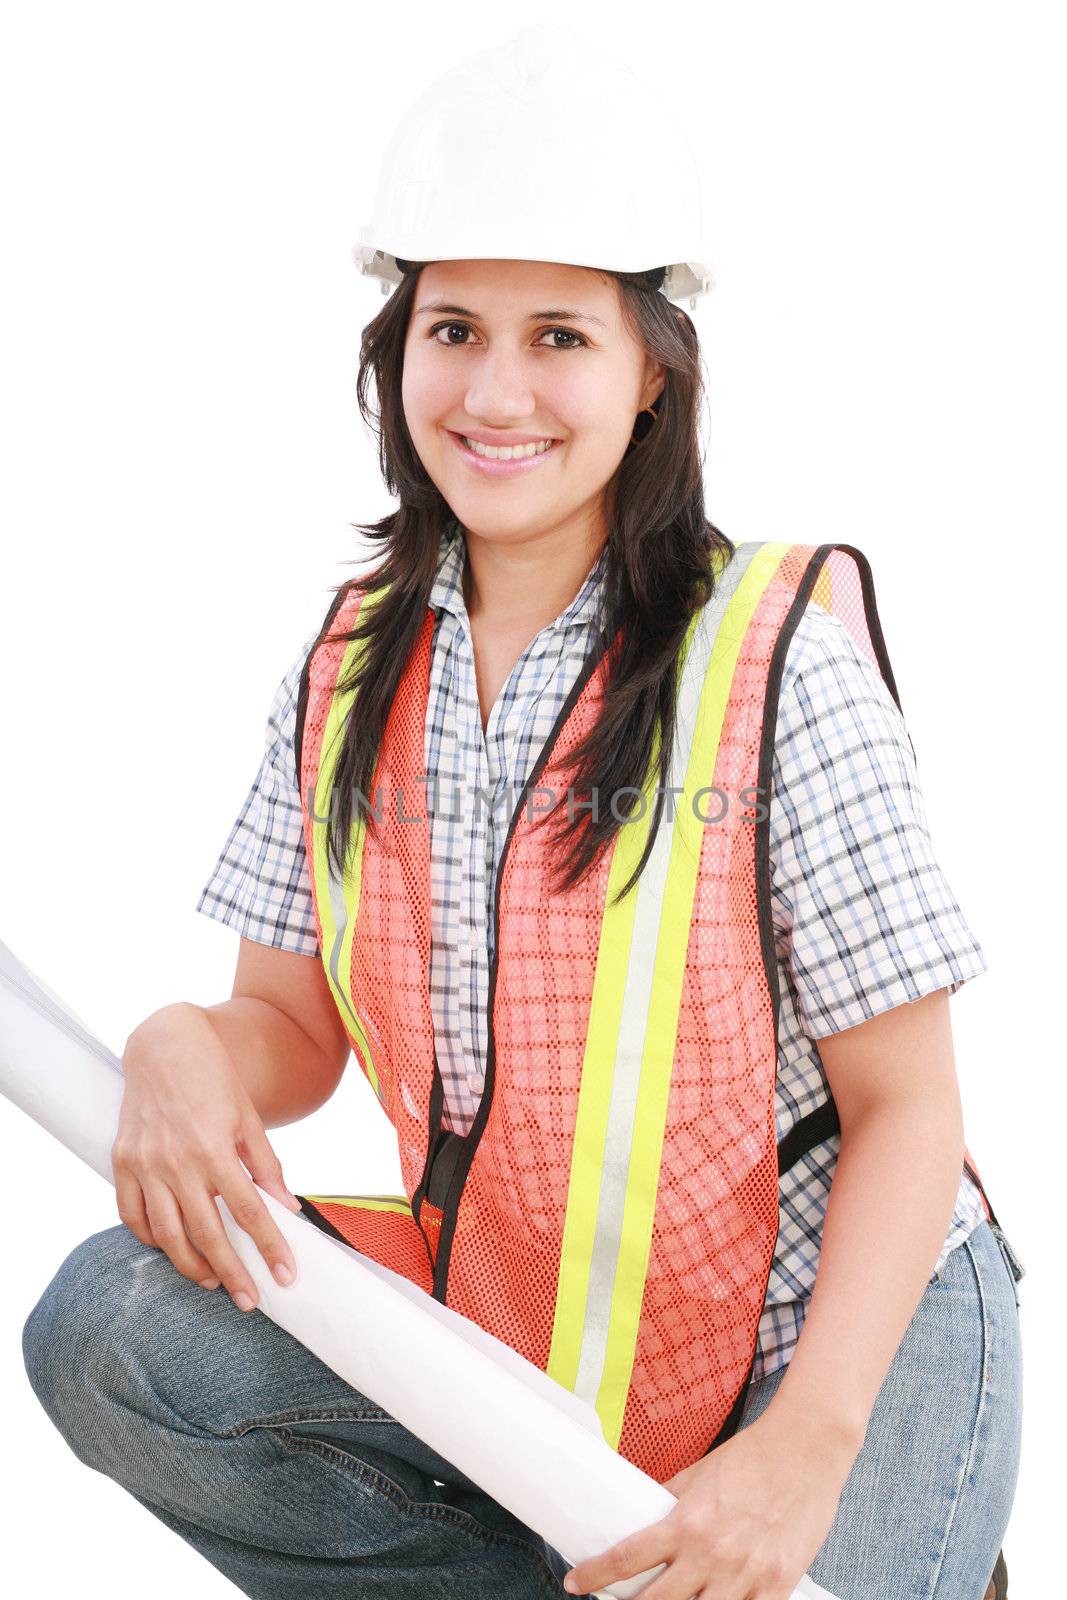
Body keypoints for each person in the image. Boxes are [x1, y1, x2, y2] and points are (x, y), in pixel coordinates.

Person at [21, 26, 1023, 1600]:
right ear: (394, 355)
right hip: (535, 1325)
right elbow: (284, 1025)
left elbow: (910, 1108)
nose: (496, 392)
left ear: (651, 378)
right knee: (110, 1336)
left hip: (832, 1335)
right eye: (454, 330)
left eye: (560, 336)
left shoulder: (770, 660)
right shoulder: (353, 667)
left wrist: (804, 1450)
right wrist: (179, 1044)